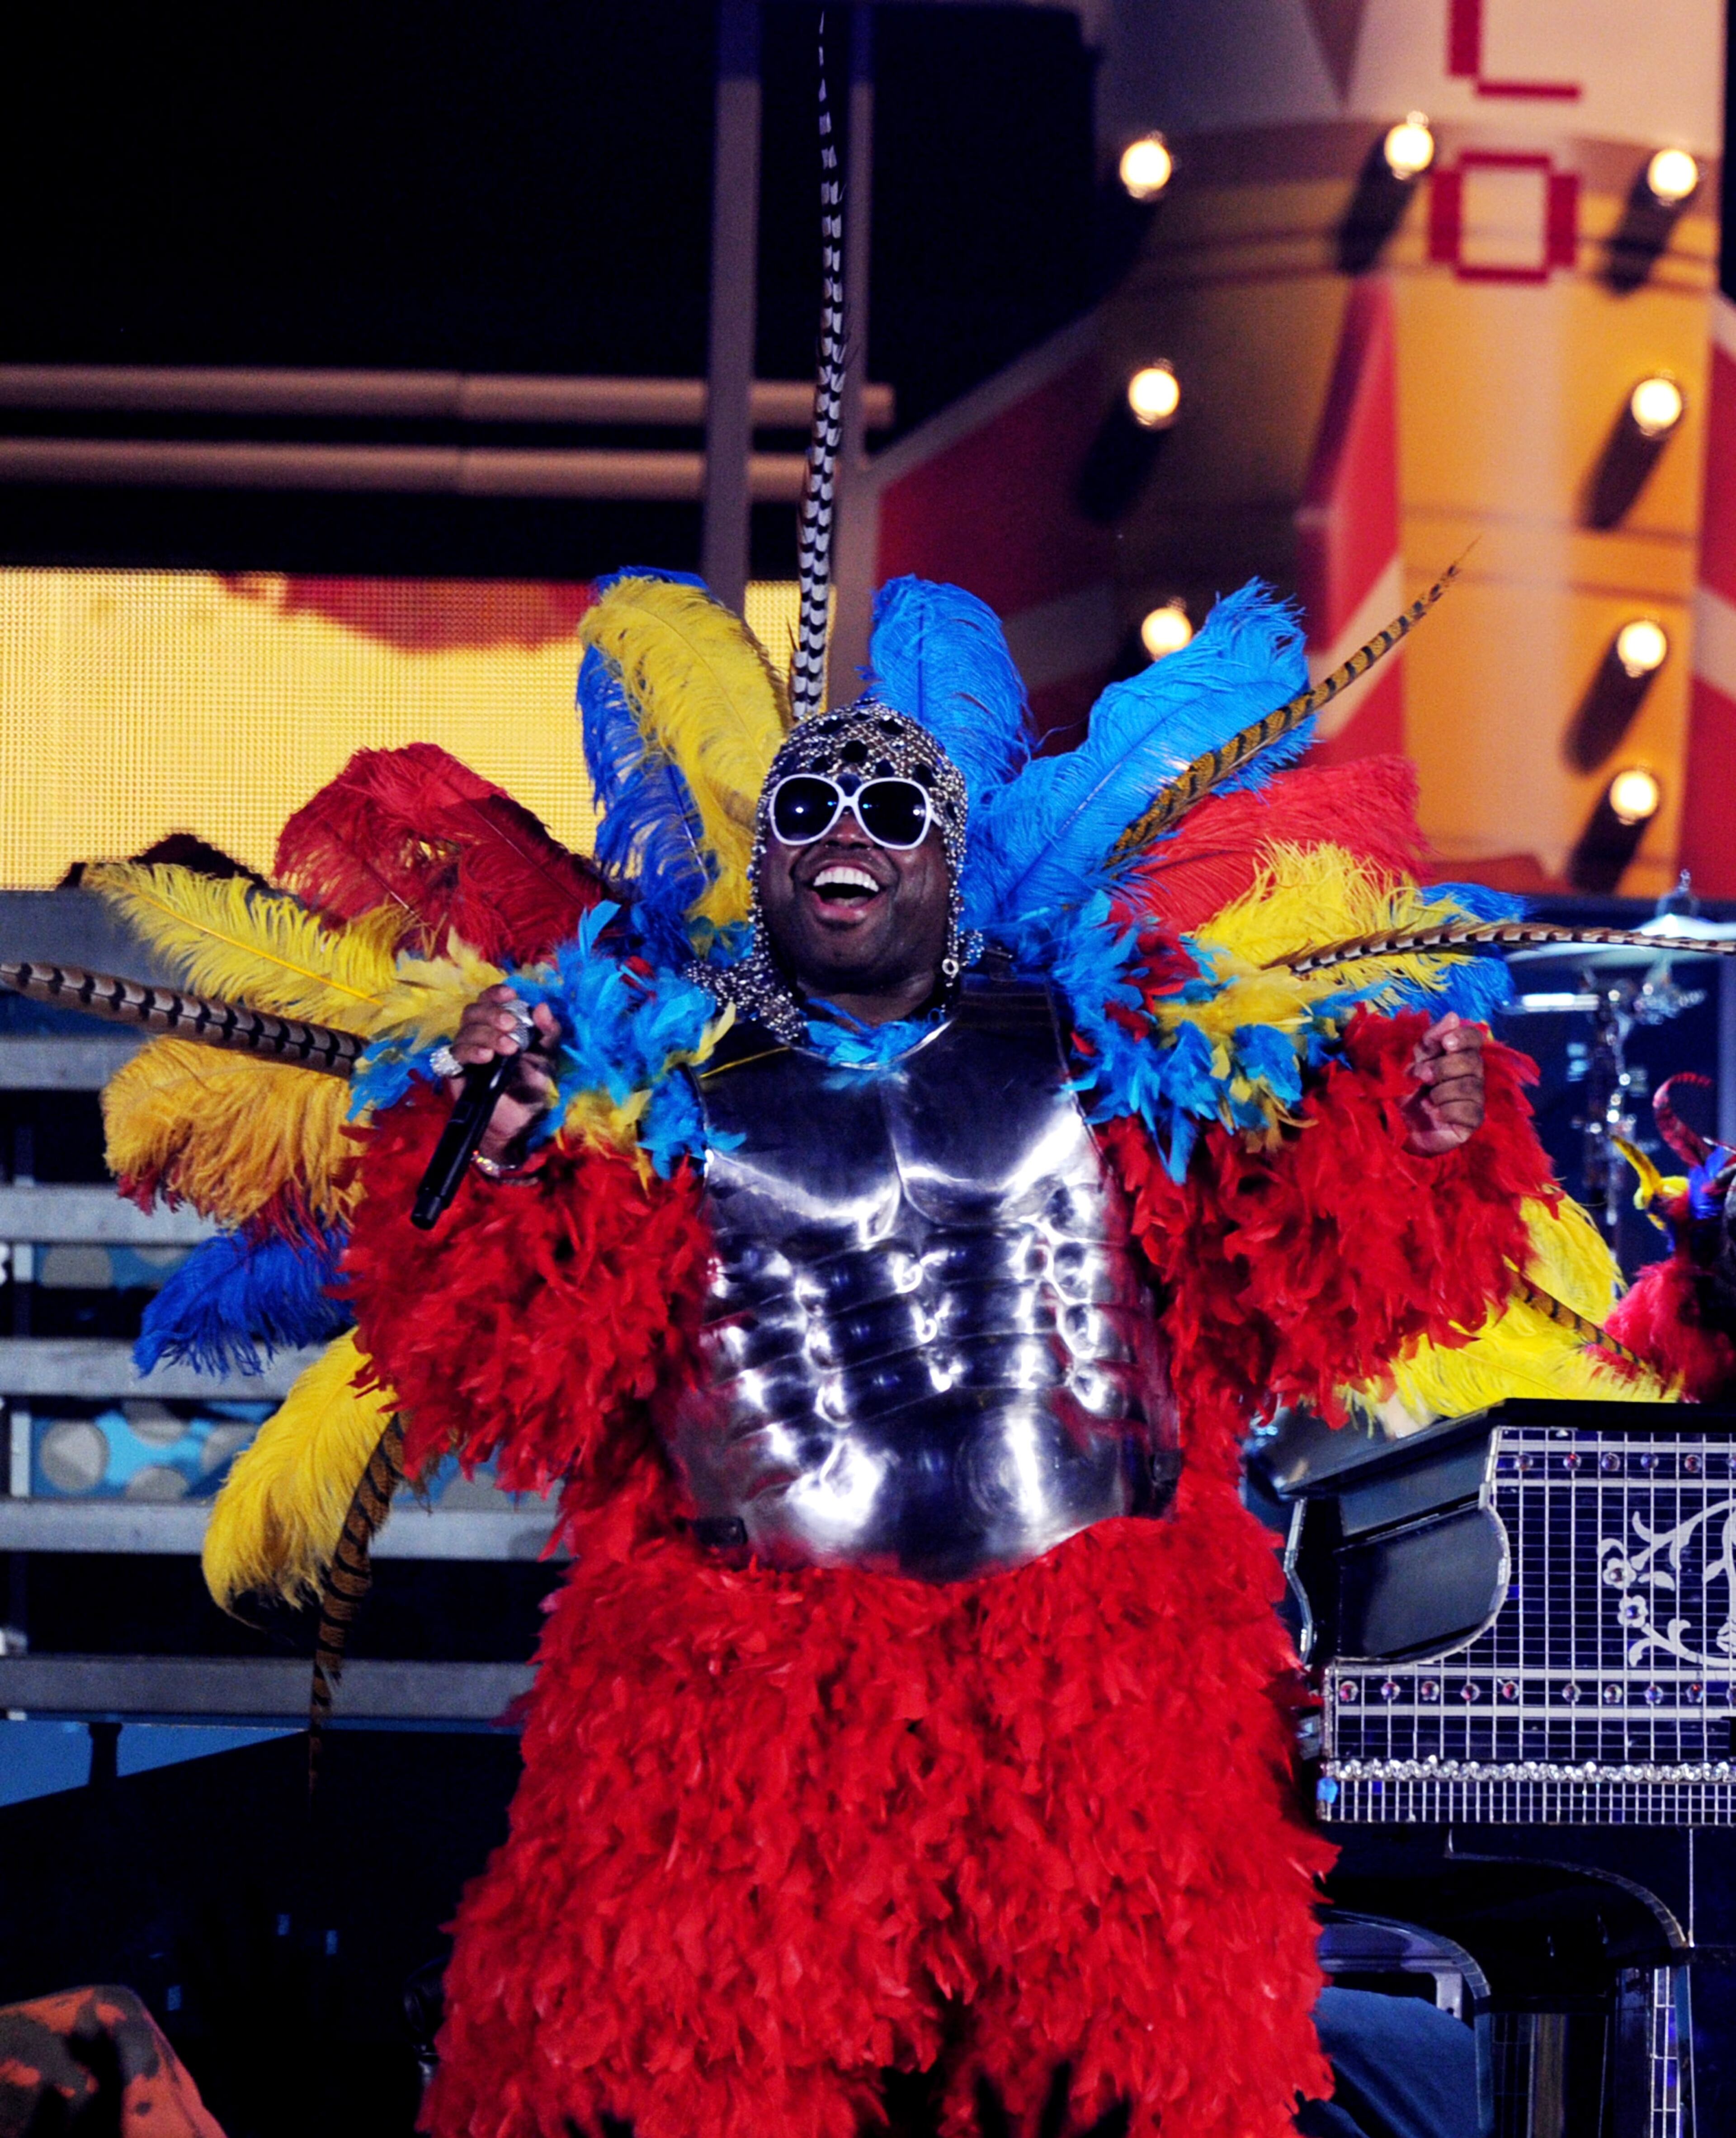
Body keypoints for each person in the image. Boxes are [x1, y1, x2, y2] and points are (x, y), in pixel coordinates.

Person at [102, 570, 1646, 2138]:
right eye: (813, 803)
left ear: (952, 855)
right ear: (765, 857)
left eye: (892, 803)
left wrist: (1414, 1136)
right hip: (743, 1718)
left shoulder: (1106, 1044)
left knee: (1117, 2101)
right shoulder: (654, 1075)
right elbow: (522, 1357)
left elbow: (1295, 1281)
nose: (850, 826)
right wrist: (493, 1149)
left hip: (1093, 1705)